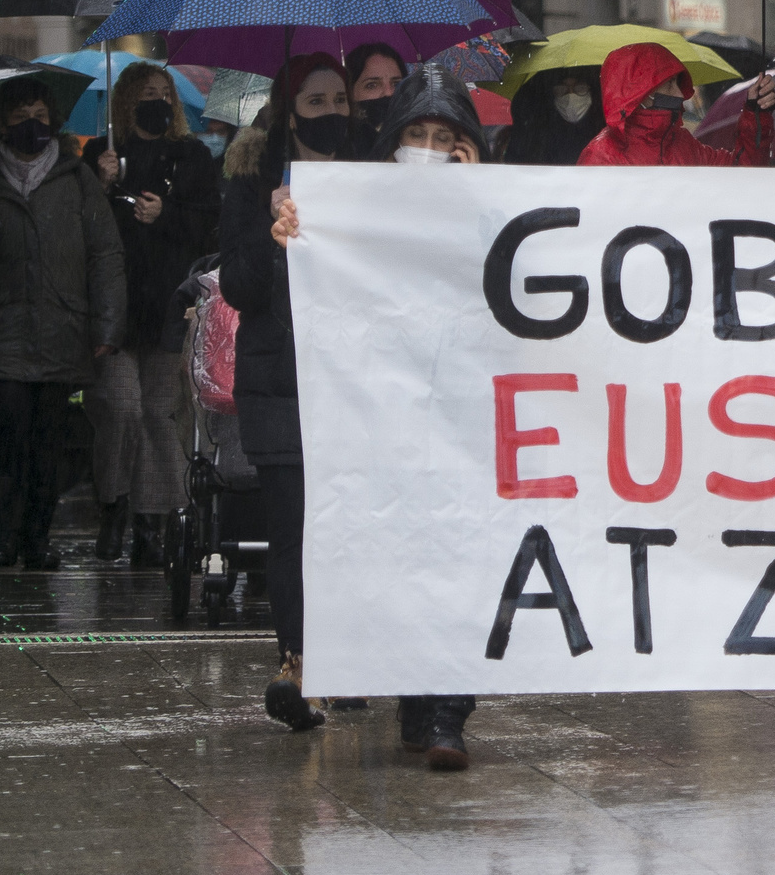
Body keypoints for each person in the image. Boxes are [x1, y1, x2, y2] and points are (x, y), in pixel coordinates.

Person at [269, 65, 492, 770]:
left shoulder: (497, 200)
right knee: (409, 552)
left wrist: (480, 185)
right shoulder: (357, 205)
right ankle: (417, 703)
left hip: (466, 407)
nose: (428, 148)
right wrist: (296, 235)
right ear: (392, 141)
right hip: (387, 410)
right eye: (416, 135)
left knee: (461, 554)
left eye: (446, 137)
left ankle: (448, 712)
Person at [0, 74, 127, 571]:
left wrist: (106, 326)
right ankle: (4, 531)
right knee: (5, 436)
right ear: (1, 123)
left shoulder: (77, 178)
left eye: (39, 116)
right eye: (20, 118)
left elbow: (104, 254)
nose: (31, 126)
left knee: (48, 443)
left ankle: (38, 536)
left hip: (62, 330)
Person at [218, 54, 353, 729]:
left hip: (353, 381)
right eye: (315, 99)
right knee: (292, 528)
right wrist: (274, 235)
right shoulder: (249, 181)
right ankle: (298, 664)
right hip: (281, 379)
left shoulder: (367, 174)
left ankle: (352, 657)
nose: (330, 112)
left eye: (340, 98)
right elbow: (238, 287)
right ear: (289, 105)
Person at [79, 63, 221, 566]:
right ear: (126, 103)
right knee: (123, 408)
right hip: (115, 312)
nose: (156, 101)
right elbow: (82, 228)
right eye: (145, 94)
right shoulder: (101, 155)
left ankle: (152, 520)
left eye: (164, 94)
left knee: (161, 417)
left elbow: (208, 229)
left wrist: (166, 217)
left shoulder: (192, 157)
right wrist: (102, 184)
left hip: (167, 309)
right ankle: (113, 502)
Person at [579, 45, 775, 167]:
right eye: (669, 84)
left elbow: (741, 174)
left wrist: (755, 114)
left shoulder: (684, 144)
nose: (680, 94)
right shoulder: (601, 156)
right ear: (641, 94)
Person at [500, 67, 604, 165]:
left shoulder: (605, 132)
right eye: (562, 89)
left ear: (591, 91)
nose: (571, 95)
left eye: (580, 88)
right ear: (552, 94)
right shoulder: (533, 137)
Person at [343, 43, 409, 156]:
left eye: (396, 83)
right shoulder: (339, 153)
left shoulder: (417, 142)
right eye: (372, 85)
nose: (389, 92)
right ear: (349, 93)